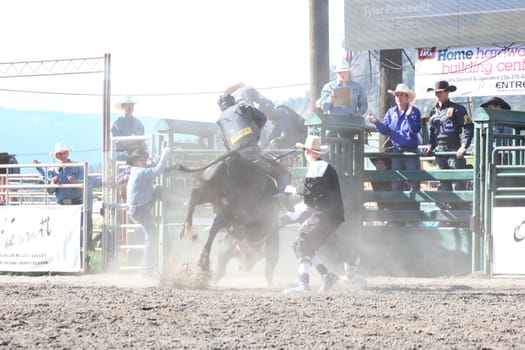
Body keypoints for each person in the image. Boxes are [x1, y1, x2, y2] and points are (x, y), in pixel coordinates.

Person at [282, 135, 344, 293]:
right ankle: (326, 275)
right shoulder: (324, 167)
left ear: (307, 151)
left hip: (325, 213)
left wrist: (291, 189)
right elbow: (314, 194)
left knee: (300, 243)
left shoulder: (318, 167)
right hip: (330, 214)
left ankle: (305, 283)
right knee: (307, 245)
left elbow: (309, 190)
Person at [216, 92, 293, 210]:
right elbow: (262, 117)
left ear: (221, 107)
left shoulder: (220, 122)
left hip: (235, 158)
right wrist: (255, 132)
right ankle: (281, 199)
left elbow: (225, 144)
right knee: (283, 173)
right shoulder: (243, 107)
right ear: (233, 101)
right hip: (253, 154)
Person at [423, 80, 474, 207]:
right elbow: (432, 132)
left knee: (457, 183)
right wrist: (430, 146)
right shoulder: (433, 112)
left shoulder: (458, 109)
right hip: (440, 151)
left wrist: (463, 146)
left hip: (454, 148)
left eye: (440, 92)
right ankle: (449, 212)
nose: (438, 95)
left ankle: (461, 212)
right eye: (436, 93)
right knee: (443, 182)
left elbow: (468, 127)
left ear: (447, 92)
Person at [367, 83, 421, 198]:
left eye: (402, 95)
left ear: (407, 97)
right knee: (395, 182)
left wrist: (409, 117)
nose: (399, 97)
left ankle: (414, 210)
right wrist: (376, 122)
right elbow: (385, 130)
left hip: (411, 152)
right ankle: (398, 210)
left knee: (413, 182)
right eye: (397, 95)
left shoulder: (414, 112)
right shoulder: (391, 112)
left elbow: (415, 130)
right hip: (397, 151)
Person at [126, 146, 172, 277]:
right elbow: (157, 170)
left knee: (157, 188)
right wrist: (165, 155)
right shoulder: (140, 172)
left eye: (143, 159)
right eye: (140, 160)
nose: (143, 162)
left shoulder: (139, 169)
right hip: (140, 208)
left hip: (142, 206)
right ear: (135, 162)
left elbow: (153, 164)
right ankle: (147, 270)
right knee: (151, 236)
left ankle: (148, 268)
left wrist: (160, 156)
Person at [225, 83, 307, 149]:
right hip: (298, 137)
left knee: (280, 145)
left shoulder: (281, 112)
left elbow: (286, 133)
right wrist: (265, 146)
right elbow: (275, 133)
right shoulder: (276, 119)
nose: (267, 116)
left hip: (304, 135)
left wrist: (276, 140)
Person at [111, 95, 147, 161]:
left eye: (131, 105)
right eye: (127, 105)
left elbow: (142, 142)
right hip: (122, 153)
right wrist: (128, 141)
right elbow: (116, 143)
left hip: (137, 152)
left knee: (146, 155)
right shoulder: (116, 123)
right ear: (122, 107)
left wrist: (143, 147)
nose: (130, 107)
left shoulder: (139, 124)